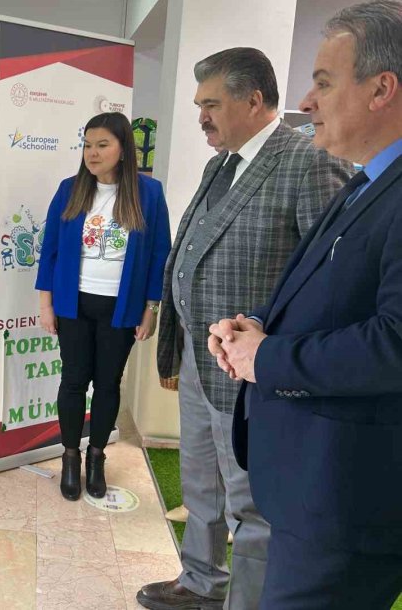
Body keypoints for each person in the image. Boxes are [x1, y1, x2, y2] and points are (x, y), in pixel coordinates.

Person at [137, 48, 351, 610]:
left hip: (254, 372)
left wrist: (272, 344)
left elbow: (332, 282)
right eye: (199, 105)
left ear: (254, 100)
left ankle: (247, 603)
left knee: (252, 505)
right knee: (200, 482)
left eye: (212, 104)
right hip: (199, 360)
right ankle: (200, 581)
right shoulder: (221, 164)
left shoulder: (306, 161)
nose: (202, 117)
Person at [209, 0, 402, 609]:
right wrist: (258, 327)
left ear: (382, 89)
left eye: (323, 82)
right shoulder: (365, 182)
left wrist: (268, 359)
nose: (307, 101)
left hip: (346, 501)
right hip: (309, 489)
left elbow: (394, 344)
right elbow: (334, 292)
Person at [36, 112, 171, 501]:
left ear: (123, 149)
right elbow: (51, 251)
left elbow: (160, 252)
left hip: (121, 307)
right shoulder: (70, 189)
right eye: (87, 145)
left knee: (108, 383)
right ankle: (70, 456)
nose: (92, 154)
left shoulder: (149, 194)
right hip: (73, 303)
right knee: (74, 381)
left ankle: (97, 458)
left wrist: (151, 308)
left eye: (102, 145)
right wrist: (47, 304)